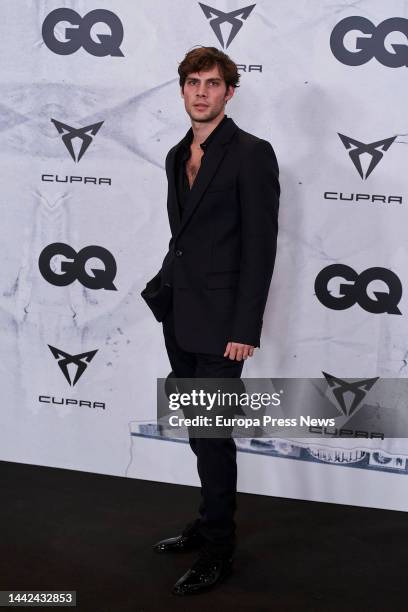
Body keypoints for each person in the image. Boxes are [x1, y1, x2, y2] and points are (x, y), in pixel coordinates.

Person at [141, 46, 280, 596]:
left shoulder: (252, 153)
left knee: (214, 435)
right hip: (180, 317)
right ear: (182, 90)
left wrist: (245, 329)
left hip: (225, 328)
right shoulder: (177, 154)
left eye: (213, 83)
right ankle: (207, 521)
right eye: (193, 82)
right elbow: (186, 239)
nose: (202, 92)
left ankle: (219, 549)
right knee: (201, 432)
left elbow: (260, 248)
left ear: (229, 92)